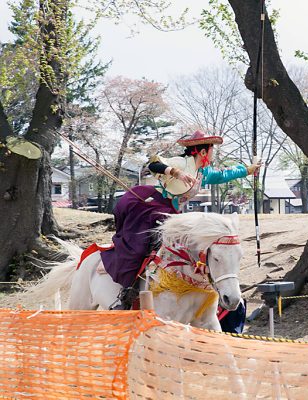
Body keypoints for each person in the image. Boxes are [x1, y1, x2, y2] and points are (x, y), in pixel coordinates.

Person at [100, 130, 261, 309]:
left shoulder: (203, 172)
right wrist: (176, 172)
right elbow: (153, 164)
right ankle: (127, 292)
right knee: (140, 245)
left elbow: (223, 175)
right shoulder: (181, 162)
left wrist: (247, 170)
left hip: (170, 211)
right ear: (202, 152)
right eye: (211, 149)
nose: (212, 153)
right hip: (148, 206)